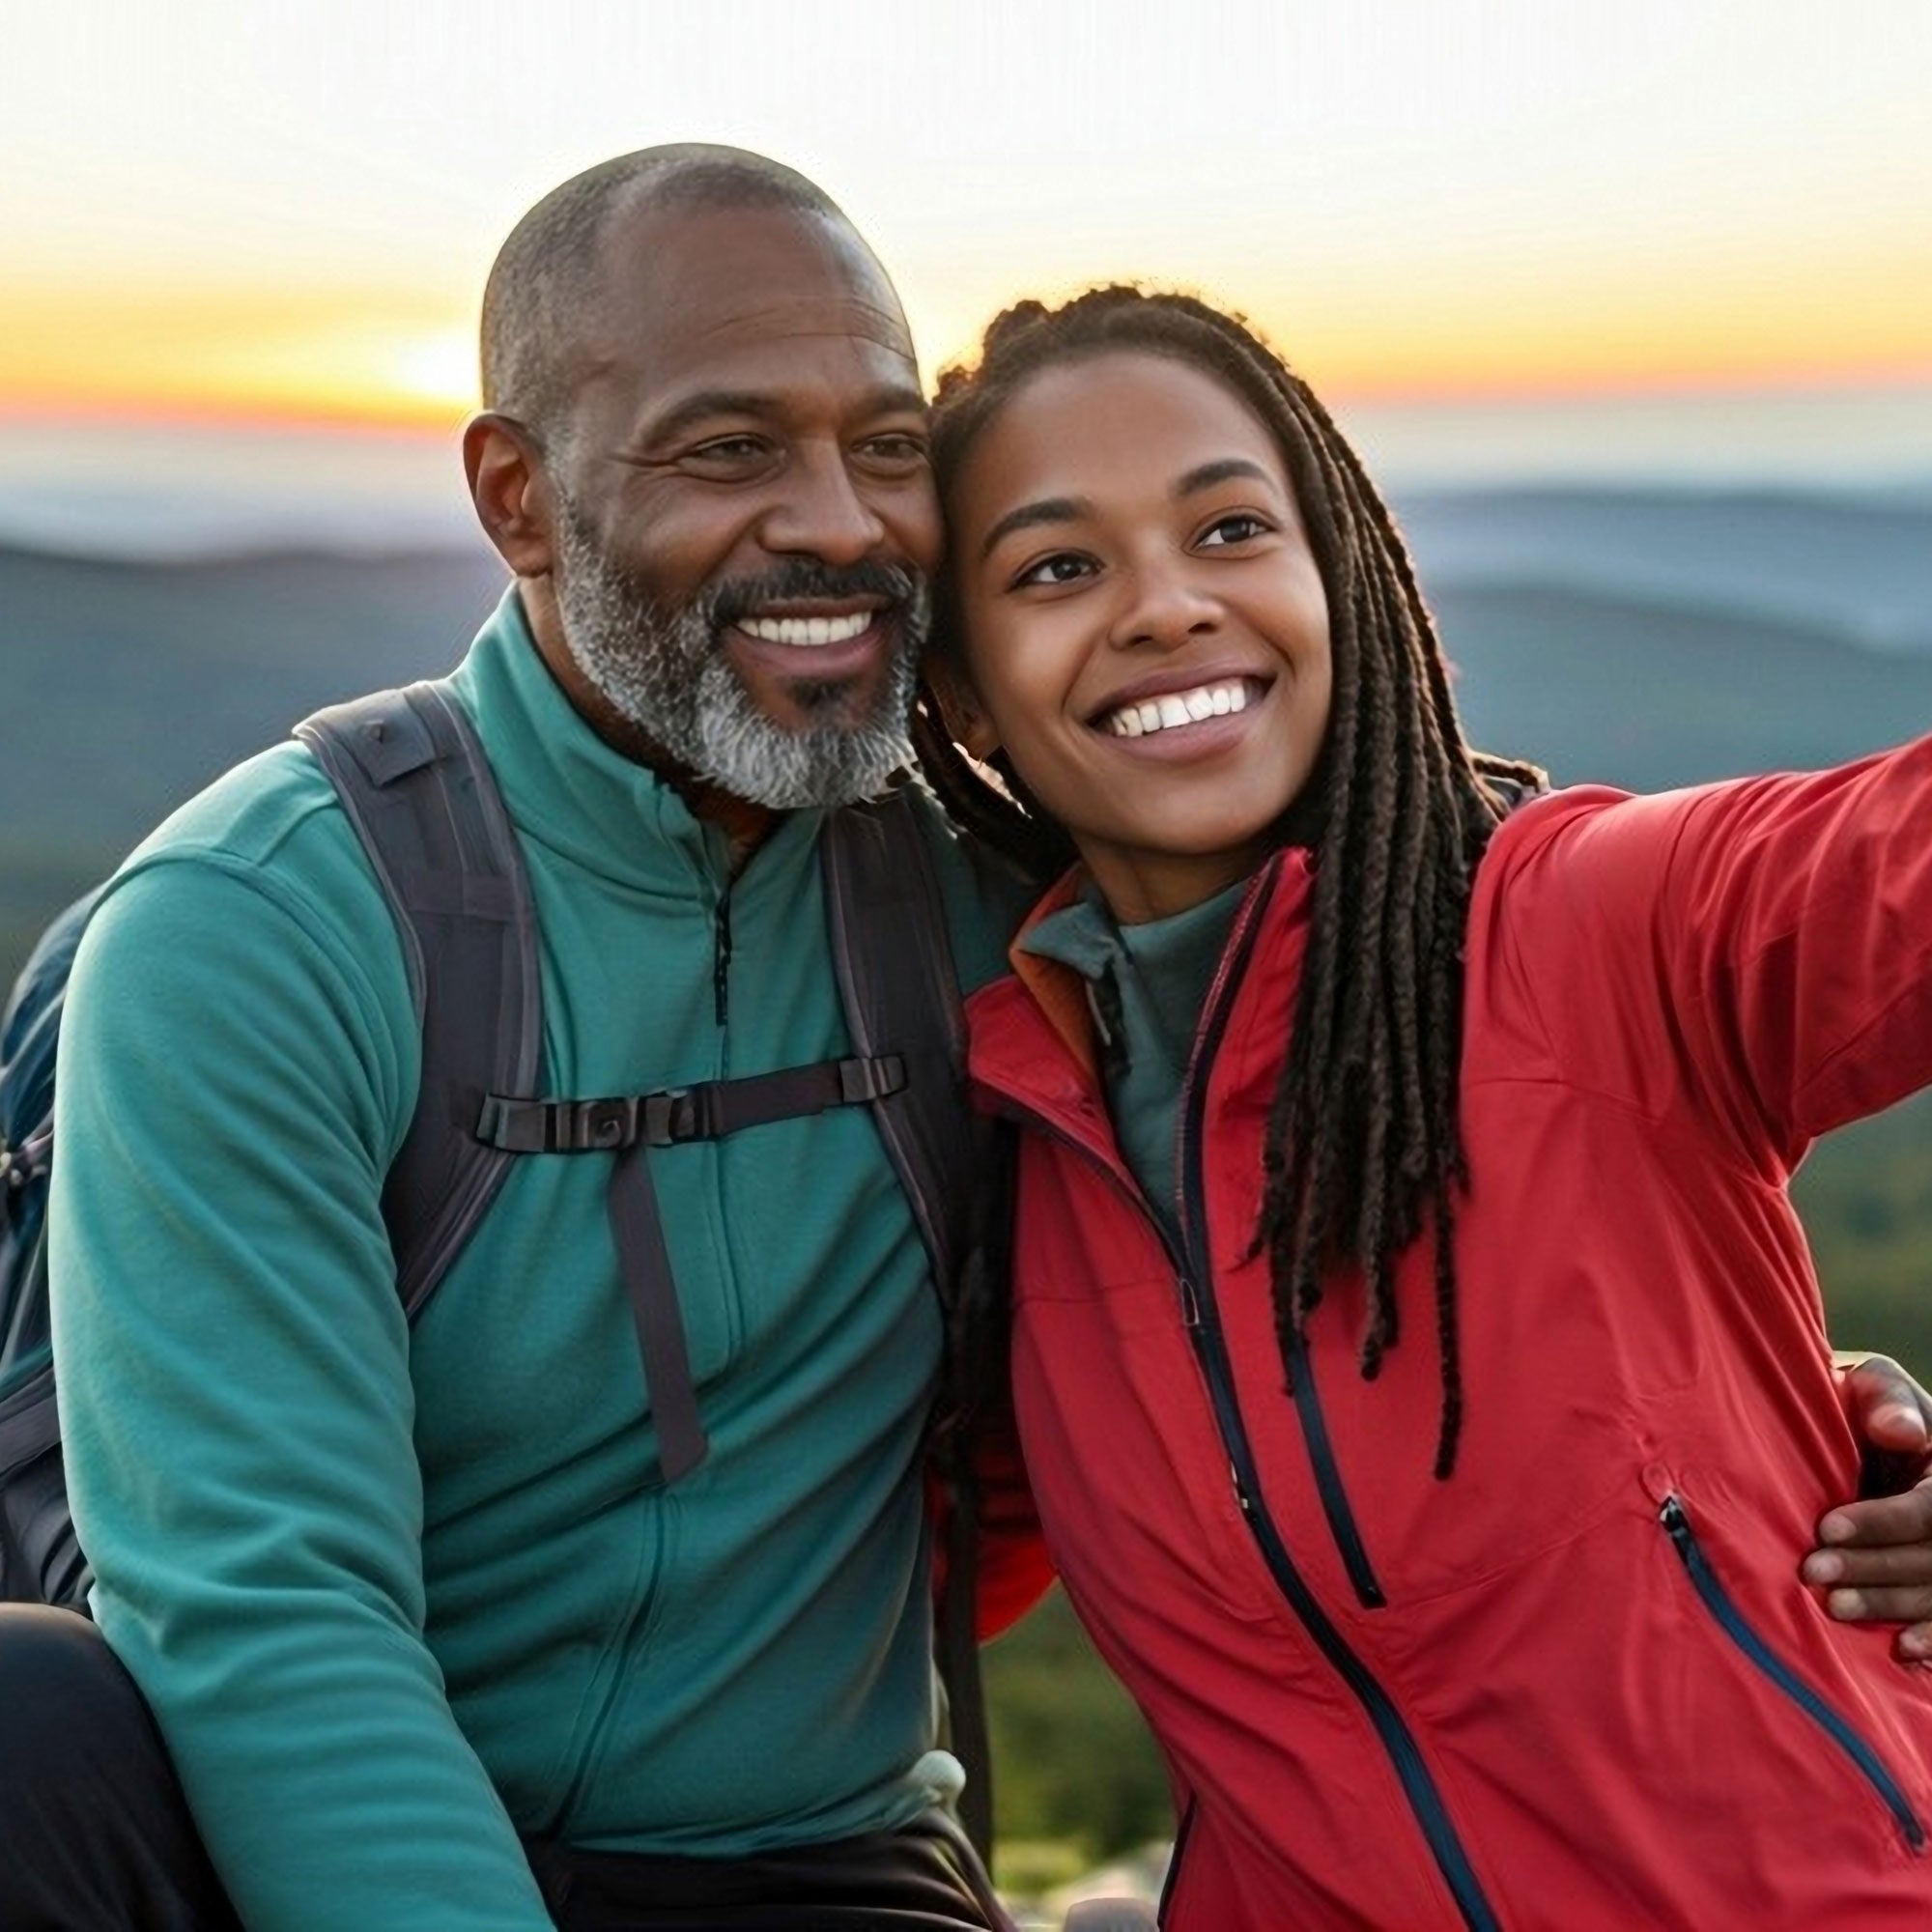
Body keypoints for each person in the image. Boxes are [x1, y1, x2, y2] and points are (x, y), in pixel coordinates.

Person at [0, 147, 1923, 1931]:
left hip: (820, 1868)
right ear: (517, 492)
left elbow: (1343, 1150)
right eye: (730, 447)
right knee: (33, 1728)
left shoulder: (1016, 930)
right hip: (316, 1844)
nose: (830, 523)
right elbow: (275, 1609)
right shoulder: (266, 927)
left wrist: (1758, 1420)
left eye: (883, 444)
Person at [913, 283, 1932, 1928]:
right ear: (964, 699)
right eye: (1057, 568)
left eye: (1231, 528)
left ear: (1339, 577)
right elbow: (841, 1571)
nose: (1168, 606)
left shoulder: (1590, 931)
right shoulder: (1013, 1150)